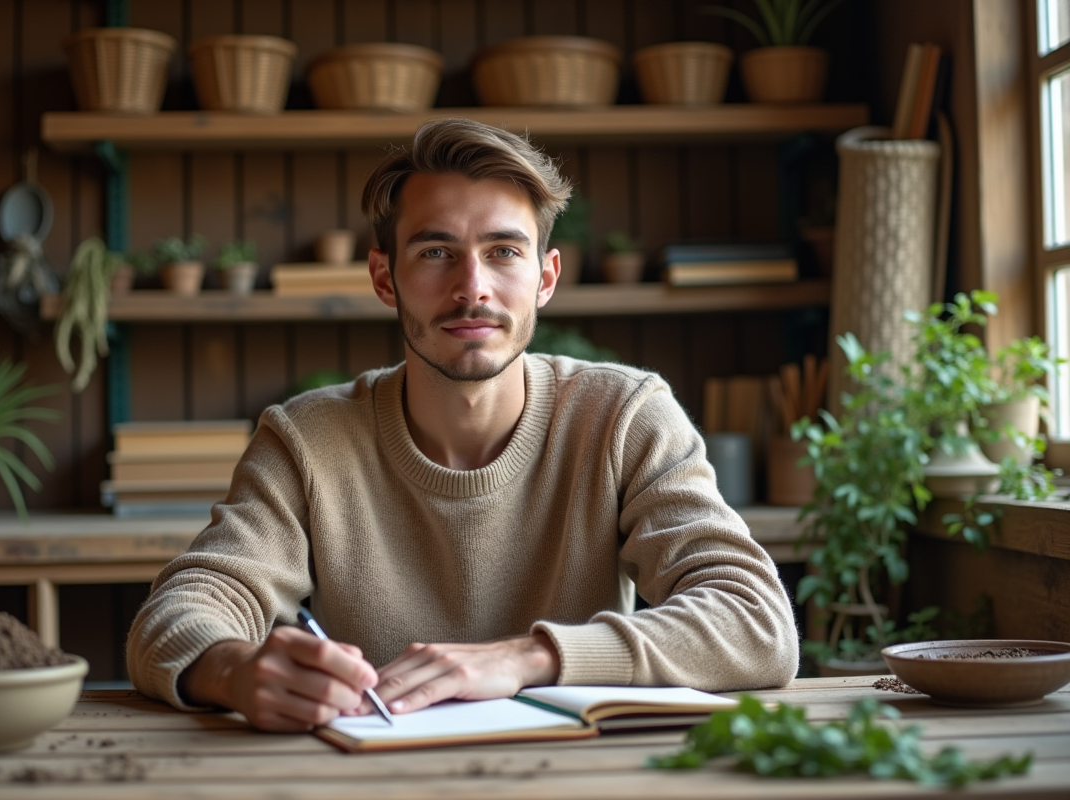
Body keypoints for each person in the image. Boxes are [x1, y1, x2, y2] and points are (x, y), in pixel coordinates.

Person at [126, 118, 799, 732]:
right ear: (384, 278)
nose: (472, 286)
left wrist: (526, 657)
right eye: (435, 252)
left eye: (504, 251)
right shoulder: (306, 440)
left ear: (546, 278)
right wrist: (234, 670)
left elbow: (756, 621)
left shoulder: (625, 417)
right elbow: (179, 613)